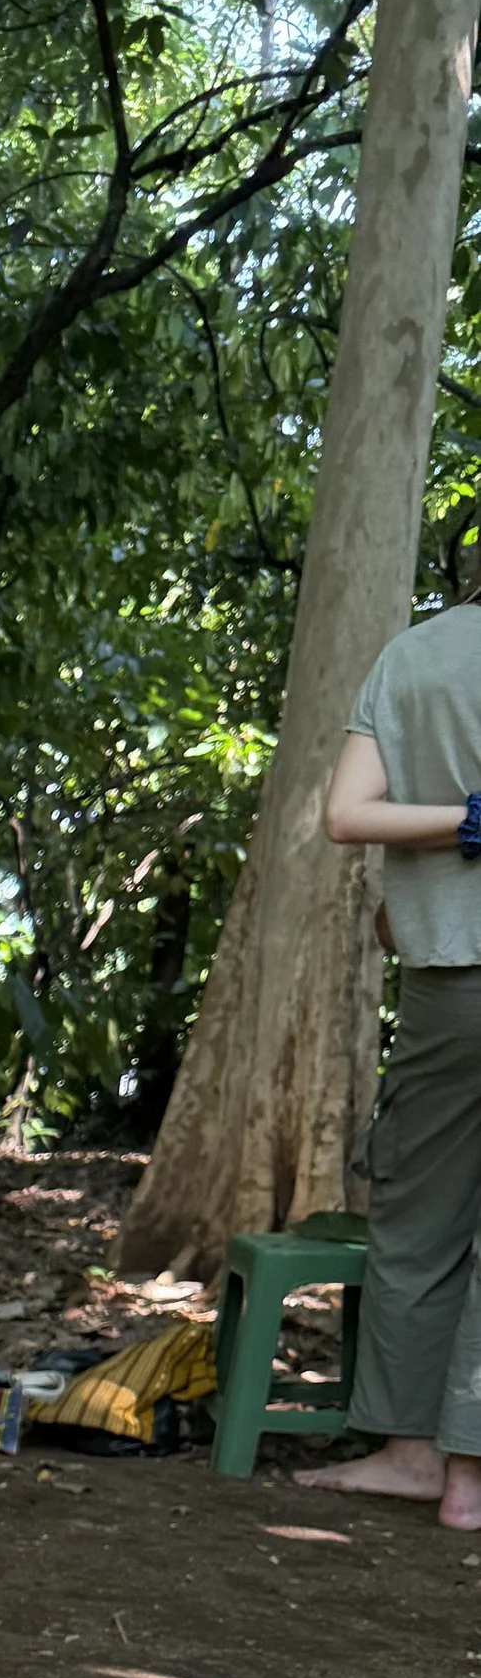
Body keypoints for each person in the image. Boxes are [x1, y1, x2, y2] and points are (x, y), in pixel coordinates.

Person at [300, 588, 481, 1527]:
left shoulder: (413, 656)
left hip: (448, 979)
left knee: (419, 1218)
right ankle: (469, 1479)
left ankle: (411, 1454)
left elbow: (345, 813)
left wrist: (461, 819)